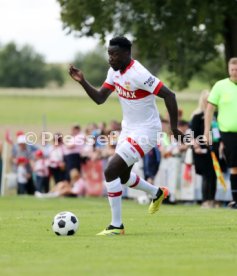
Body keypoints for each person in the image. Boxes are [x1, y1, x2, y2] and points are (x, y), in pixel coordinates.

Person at [69, 36, 183, 235]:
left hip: (147, 131)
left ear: (126, 54)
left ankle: (116, 225)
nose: (110, 58)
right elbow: (99, 99)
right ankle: (157, 193)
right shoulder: (114, 72)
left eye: (114, 54)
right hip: (128, 129)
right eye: (109, 54)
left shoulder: (139, 73)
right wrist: (83, 81)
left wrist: (173, 128)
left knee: (110, 170)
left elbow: (169, 95)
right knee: (121, 176)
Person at [204, 57, 237, 209]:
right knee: (234, 166)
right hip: (228, 133)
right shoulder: (220, 86)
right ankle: (235, 199)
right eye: (232, 69)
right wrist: (206, 131)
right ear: (228, 70)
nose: (235, 72)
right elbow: (210, 110)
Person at [191, 90, 219, 208]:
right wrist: (195, 145)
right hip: (201, 150)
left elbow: (219, 133)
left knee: (214, 175)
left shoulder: (216, 117)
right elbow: (191, 134)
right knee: (206, 175)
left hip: (214, 149)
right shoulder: (197, 117)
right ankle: (205, 200)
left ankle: (212, 199)